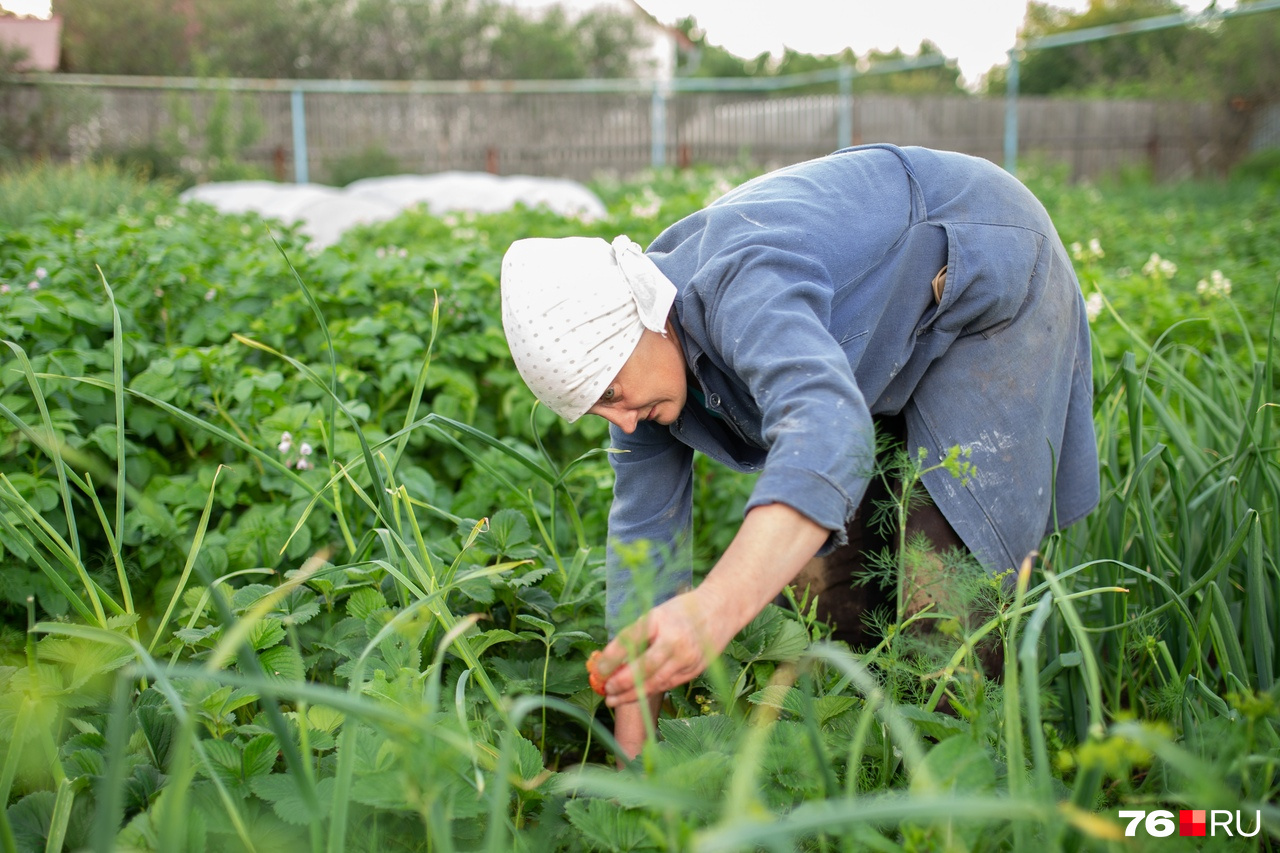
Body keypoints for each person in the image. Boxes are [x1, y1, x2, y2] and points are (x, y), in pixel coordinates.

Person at [499, 143, 1100, 758]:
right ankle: (846, 775)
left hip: (984, 269)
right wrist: (632, 758)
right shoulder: (640, 380)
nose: (620, 423)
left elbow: (827, 429)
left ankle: (949, 795)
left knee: (942, 595)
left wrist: (712, 611)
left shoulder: (743, 284)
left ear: (646, 321)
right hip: (879, 327)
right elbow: (643, 546)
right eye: (596, 410)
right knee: (819, 603)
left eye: (612, 394)